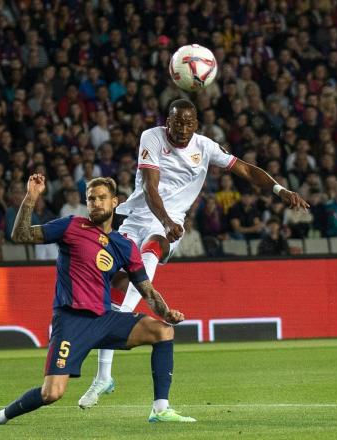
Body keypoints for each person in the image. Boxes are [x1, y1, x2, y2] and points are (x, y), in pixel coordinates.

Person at [79, 99, 309, 409]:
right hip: (138, 220)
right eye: (177, 123)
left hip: (165, 230)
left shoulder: (206, 146)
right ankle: (105, 374)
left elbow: (245, 169)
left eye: (189, 123)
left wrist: (280, 190)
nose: (183, 129)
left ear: (197, 123)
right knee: (114, 291)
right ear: (168, 121)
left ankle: (105, 377)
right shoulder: (152, 137)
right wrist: (166, 220)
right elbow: (150, 188)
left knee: (142, 269)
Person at [0, 174, 194, 426]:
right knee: (51, 393)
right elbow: (21, 235)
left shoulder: (123, 245)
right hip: (71, 322)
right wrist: (31, 197)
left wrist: (167, 312)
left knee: (163, 331)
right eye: (91, 199)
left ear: (115, 202)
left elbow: (147, 291)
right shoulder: (71, 226)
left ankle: (160, 409)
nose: (96, 203)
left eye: (102, 198)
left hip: (104, 319)